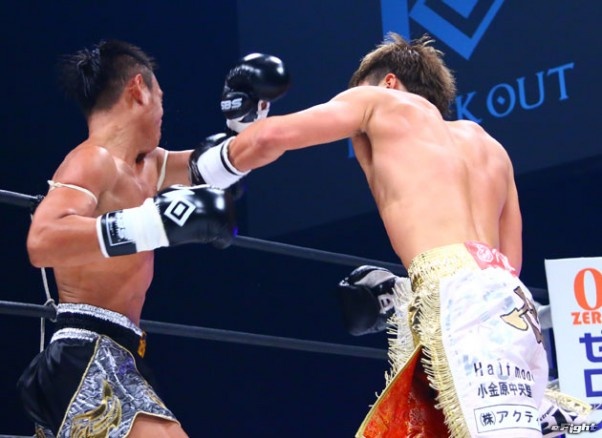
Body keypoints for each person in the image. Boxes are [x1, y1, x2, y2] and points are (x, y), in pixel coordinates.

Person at [192, 32, 576, 437]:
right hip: (512, 306)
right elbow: (509, 264)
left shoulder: (378, 101)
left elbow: (270, 137)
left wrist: (230, 138)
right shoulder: (490, 146)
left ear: (389, 82)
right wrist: (409, 290)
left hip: (454, 299)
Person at [16, 39, 289, 437]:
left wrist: (248, 120)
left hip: (121, 354)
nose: (163, 112)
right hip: (83, 353)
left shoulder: (151, 166)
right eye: (161, 98)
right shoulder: (92, 160)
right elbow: (42, 240)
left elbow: (229, 163)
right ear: (138, 89)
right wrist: (152, 223)